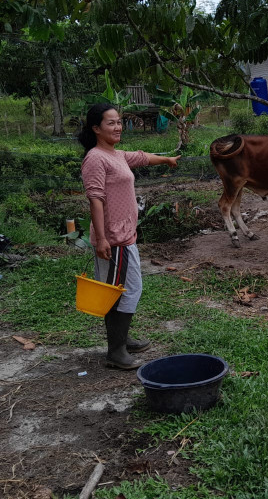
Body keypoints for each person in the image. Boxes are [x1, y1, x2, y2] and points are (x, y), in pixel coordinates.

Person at [78, 103, 180, 370]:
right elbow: (96, 199)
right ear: (96, 128)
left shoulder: (117, 155)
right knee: (122, 291)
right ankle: (115, 351)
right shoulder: (95, 158)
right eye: (110, 123)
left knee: (125, 290)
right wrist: (101, 239)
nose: (117, 127)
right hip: (113, 238)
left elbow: (142, 156)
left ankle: (122, 339)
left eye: (119, 121)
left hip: (126, 236)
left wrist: (167, 160)